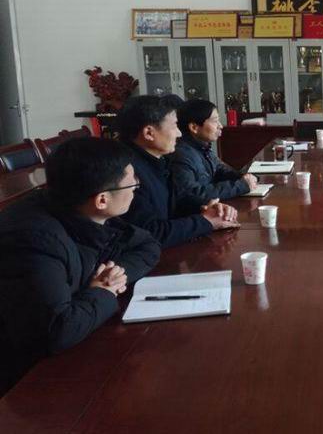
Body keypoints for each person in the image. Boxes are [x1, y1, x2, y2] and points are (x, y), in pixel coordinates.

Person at [0, 138, 160, 394]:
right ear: (102, 200)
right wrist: (102, 291)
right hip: (27, 383)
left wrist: (114, 274)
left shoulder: (83, 210)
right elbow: (57, 331)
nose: (136, 188)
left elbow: (148, 245)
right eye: (132, 184)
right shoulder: (33, 241)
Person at [116, 95, 239, 248]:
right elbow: (149, 233)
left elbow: (174, 202)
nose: (179, 134)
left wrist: (206, 207)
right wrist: (205, 221)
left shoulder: (159, 160)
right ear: (149, 133)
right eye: (174, 126)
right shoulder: (127, 173)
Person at [170, 99, 258, 202]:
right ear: (194, 127)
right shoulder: (181, 155)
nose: (220, 126)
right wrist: (240, 186)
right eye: (215, 121)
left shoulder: (203, 147)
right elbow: (192, 194)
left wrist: (246, 178)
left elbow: (220, 170)